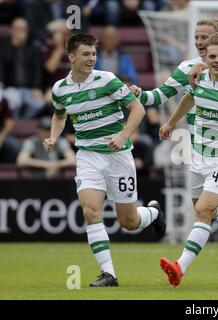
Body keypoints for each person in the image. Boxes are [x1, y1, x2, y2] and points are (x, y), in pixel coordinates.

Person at [130, 19, 218, 284]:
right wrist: (141, 95)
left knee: (207, 209)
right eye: (197, 37)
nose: (199, 41)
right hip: (197, 149)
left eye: (205, 36)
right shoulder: (189, 70)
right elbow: (159, 96)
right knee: (208, 208)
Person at [43, 33, 166, 287]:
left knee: (129, 222)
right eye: (86, 54)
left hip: (118, 156)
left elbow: (138, 109)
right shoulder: (60, 89)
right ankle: (109, 274)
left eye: (94, 54)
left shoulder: (107, 80)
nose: (91, 59)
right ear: (71, 57)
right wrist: (54, 137)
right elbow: (58, 115)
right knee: (91, 211)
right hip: (88, 156)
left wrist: (123, 135)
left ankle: (153, 213)